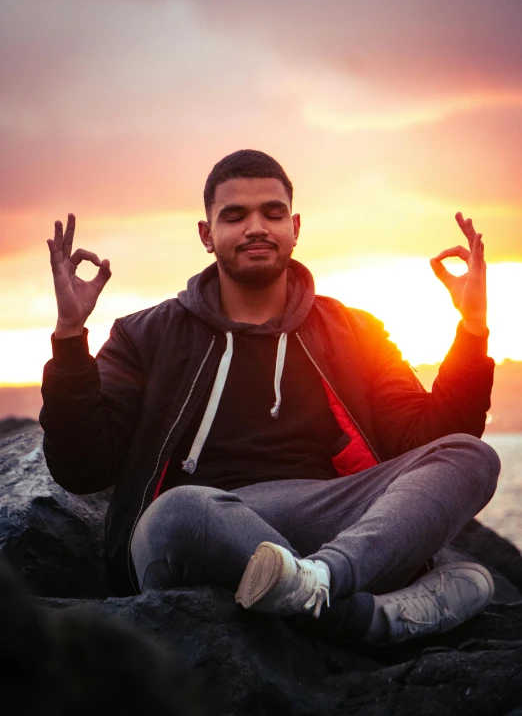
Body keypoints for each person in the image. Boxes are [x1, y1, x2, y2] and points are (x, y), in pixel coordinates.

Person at [41, 149, 500, 646]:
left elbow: (425, 438)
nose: (255, 227)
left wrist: (472, 327)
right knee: (181, 511)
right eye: (234, 216)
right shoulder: (145, 335)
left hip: (326, 520)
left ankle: (318, 584)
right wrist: (70, 334)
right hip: (200, 532)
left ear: (295, 226)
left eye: (272, 212)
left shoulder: (354, 331)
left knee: (470, 456)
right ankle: (364, 618)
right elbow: (82, 468)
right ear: (206, 235)